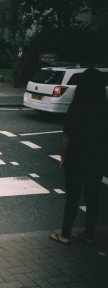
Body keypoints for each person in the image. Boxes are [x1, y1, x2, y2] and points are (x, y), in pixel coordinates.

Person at [49, 68, 108, 246]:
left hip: (76, 155)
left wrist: (63, 157)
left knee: (73, 196)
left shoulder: (77, 106)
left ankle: (65, 235)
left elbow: (68, 136)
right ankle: (89, 234)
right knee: (92, 196)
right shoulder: (104, 107)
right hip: (98, 156)